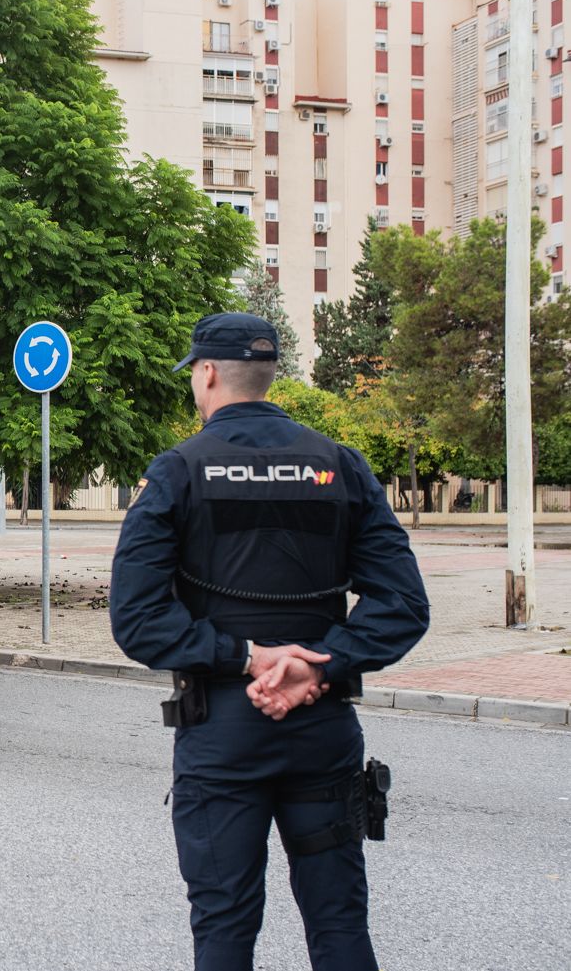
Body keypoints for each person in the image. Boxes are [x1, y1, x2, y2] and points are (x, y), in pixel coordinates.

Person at [108, 313, 430, 971]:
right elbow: (404, 603)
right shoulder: (341, 465)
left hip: (222, 733)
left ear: (206, 374)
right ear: (270, 374)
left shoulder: (178, 472)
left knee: (224, 931)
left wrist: (246, 657)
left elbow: (137, 617)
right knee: (339, 923)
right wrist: (322, 666)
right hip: (324, 726)